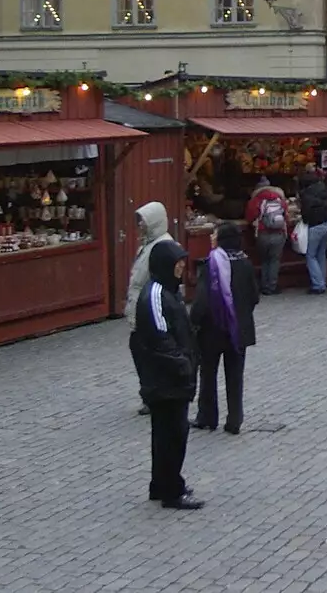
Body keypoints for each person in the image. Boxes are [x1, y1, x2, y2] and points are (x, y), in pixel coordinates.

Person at [129, 240, 202, 510]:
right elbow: (161, 339)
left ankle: (161, 484)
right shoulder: (157, 294)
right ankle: (172, 489)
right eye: (177, 261)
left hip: (166, 378)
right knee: (173, 435)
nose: (182, 266)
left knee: (164, 434)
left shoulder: (166, 291)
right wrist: (183, 365)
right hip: (167, 379)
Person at [190, 223, 260, 435]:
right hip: (239, 329)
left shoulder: (211, 263)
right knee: (235, 374)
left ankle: (207, 416)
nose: (211, 237)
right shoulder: (245, 262)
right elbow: (254, 296)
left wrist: (193, 322)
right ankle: (234, 419)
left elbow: (202, 299)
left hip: (213, 329)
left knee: (209, 373)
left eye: (214, 234)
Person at [125, 202, 177, 416]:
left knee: (147, 352)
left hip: (149, 308)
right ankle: (149, 393)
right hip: (140, 305)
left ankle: (154, 394)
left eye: (144, 222)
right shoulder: (147, 245)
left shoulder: (162, 246)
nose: (140, 226)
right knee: (139, 349)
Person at [245, 177, 289, 296]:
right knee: (274, 260)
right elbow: (286, 216)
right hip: (279, 234)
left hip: (262, 234)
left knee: (264, 260)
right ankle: (272, 286)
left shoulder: (255, 200)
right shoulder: (279, 198)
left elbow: (250, 217)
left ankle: (265, 286)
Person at [295, 167, 327, 294]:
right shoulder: (325, 190)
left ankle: (318, 285)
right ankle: (322, 280)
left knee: (310, 256)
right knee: (321, 254)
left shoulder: (306, 195)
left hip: (315, 227)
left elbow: (306, 214)